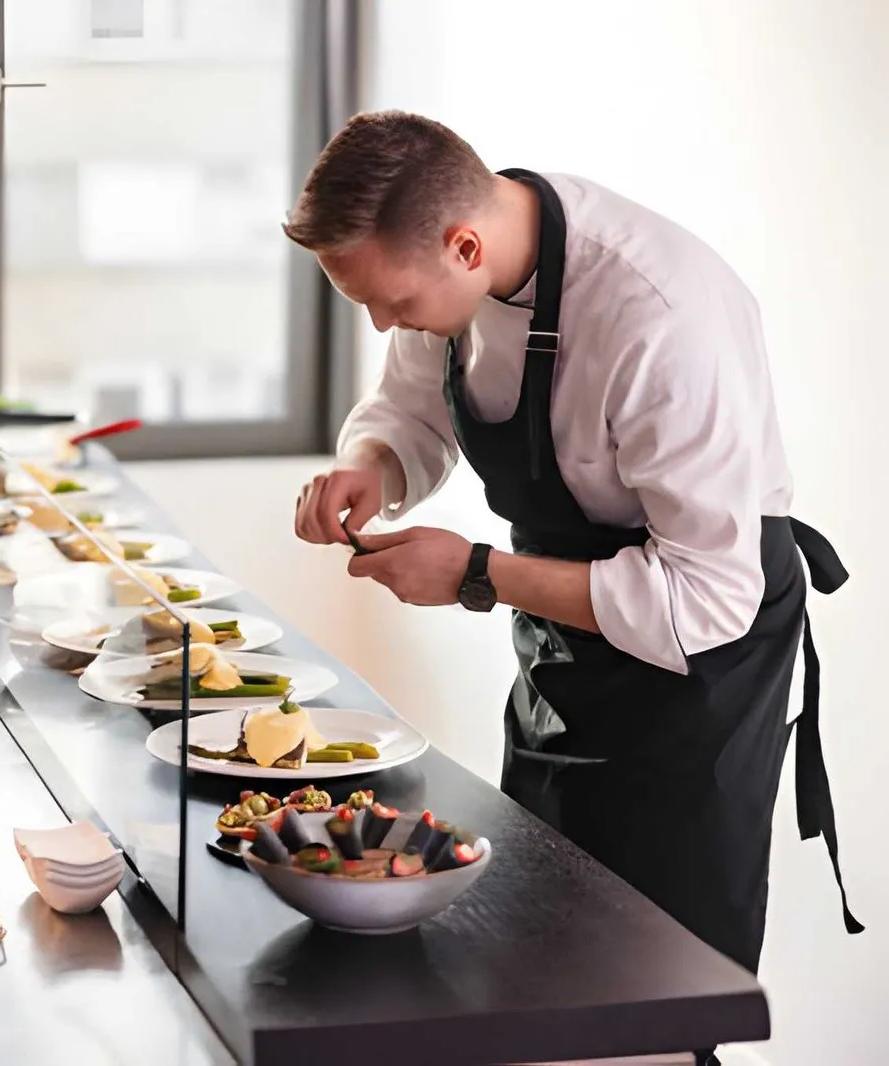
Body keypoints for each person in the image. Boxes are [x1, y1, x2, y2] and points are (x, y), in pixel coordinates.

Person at [288, 111, 861, 1057]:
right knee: (535, 954)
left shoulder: (661, 315)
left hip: (698, 679)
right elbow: (411, 407)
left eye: (388, 301)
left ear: (464, 246)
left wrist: (477, 573)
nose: (384, 324)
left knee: (650, 1003)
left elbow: (702, 599)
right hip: (566, 650)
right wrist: (372, 462)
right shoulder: (452, 256)